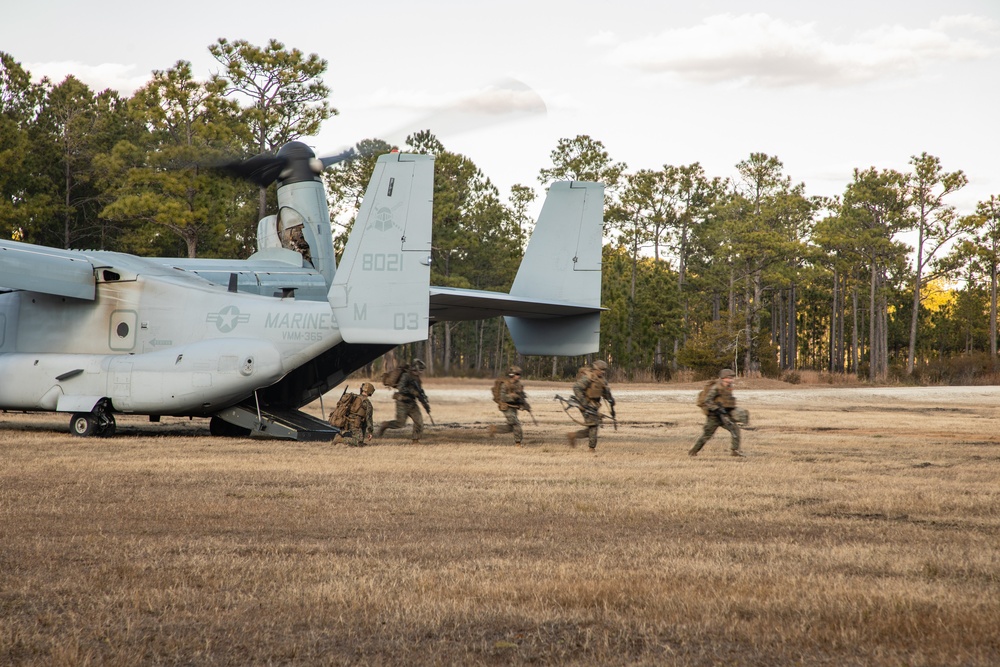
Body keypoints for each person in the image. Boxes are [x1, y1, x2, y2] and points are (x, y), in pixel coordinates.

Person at [690, 368, 745, 457]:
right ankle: (693, 451)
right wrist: (716, 408)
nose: (731, 380)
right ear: (723, 378)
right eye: (729, 378)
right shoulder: (716, 388)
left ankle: (735, 451)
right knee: (707, 435)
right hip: (714, 416)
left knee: (735, 429)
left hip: (724, 415)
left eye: (732, 378)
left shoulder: (728, 387)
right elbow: (708, 400)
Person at [376, 358, 430, 443]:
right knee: (400, 423)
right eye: (421, 370)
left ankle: (415, 440)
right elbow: (401, 388)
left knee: (419, 422)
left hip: (412, 403)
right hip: (402, 402)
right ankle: (385, 425)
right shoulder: (406, 376)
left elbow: (419, 393)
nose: (422, 372)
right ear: (416, 368)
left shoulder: (417, 379)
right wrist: (412, 391)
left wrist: (424, 402)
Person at [568, 359, 615, 451]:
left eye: (604, 370)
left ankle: (573, 435)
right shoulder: (588, 378)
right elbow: (576, 388)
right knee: (593, 425)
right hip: (586, 405)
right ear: (595, 369)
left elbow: (606, 393)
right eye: (601, 370)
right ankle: (591, 448)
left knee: (592, 426)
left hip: (594, 405)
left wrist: (611, 400)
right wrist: (584, 402)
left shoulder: (602, 380)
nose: (603, 372)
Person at [490, 366, 530, 447]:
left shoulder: (518, 384)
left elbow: (521, 396)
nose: (519, 376)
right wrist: (512, 396)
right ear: (512, 374)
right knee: (516, 424)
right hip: (506, 407)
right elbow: (502, 397)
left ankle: (494, 429)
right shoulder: (505, 385)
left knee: (511, 427)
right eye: (517, 374)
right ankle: (518, 443)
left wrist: (525, 405)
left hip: (514, 407)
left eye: (519, 374)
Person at [340, 382, 375, 447]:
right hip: (355, 424)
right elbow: (369, 419)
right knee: (358, 442)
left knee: (360, 443)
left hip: (348, 422)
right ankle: (340, 439)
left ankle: (357, 442)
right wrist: (370, 432)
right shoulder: (367, 403)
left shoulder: (354, 397)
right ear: (370, 392)